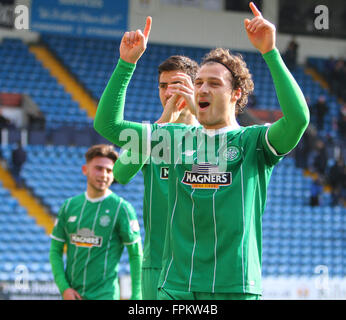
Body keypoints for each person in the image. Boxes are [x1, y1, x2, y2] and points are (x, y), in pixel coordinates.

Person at [94, 2, 309, 300]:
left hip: (234, 286)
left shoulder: (254, 141)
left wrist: (270, 52)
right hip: (176, 285)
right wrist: (126, 64)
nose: (202, 89)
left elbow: (298, 119)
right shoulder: (172, 138)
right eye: (198, 83)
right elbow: (107, 124)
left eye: (213, 83)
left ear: (236, 94)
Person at [113, 55, 199, 300]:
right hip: (157, 263)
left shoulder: (213, 136)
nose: (170, 92)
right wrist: (161, 124)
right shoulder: (151, 134)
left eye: (178, 85)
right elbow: (120, 173)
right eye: (163, 86)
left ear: (195, 88)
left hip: (202, 263)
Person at [49, 144, 143, 300]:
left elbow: (136, 255)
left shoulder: (122, 208)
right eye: (99, 168)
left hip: (105, 295)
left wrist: (137, 296)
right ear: (85, 169)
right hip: (73, 295)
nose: (104, 175)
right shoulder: (69, 206)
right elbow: (55, 251)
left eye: (109, 170)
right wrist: (64, 288)